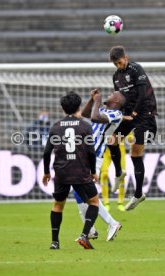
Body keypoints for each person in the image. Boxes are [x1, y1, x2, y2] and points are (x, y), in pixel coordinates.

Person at [42, 91, 99, 250]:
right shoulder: (85, 126)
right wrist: (93, 171)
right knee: (94, 202)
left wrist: (46, 172)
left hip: (62, 173)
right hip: (80, 172)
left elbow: (47, 152)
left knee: (58, 205)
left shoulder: (55, 127)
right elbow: (90, 152)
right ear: (79, 107)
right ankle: (84, 235)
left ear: (63, 108)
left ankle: (54, 242)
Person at [108, 45, 158, 211]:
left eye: (120, 62)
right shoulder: (116, 76)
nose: (119, 66)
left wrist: (134, 112)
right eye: (116, 64)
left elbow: (143, 94)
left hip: (145, 114)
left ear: (125, 57)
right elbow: (120, 99)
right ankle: (118, 173)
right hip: (129, 115)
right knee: (112, 140)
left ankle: (138, 194)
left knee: (135, 151)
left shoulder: (136, 69)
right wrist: (116, 112)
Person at [73, 89, 127, 242]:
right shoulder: (103, 109)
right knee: (78, 192)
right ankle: (90, 230)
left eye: (112, 95)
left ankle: (111, 223)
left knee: (87, 194)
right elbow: (85, 114)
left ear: (116, 102)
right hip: (85, 154)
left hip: (94, 156)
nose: (108, 96)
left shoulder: (116, 115)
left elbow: (95, 118)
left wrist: (97, 100)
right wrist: (92, 99)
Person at [100, 131, 133, 212]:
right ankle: (106, 203)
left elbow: (130, 136)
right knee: (104, 174)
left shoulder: (122, 122)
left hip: (120, 151)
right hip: (106, 152)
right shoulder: (105, 121)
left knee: (122, 175)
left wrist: (132, 141)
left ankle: (120, 203)